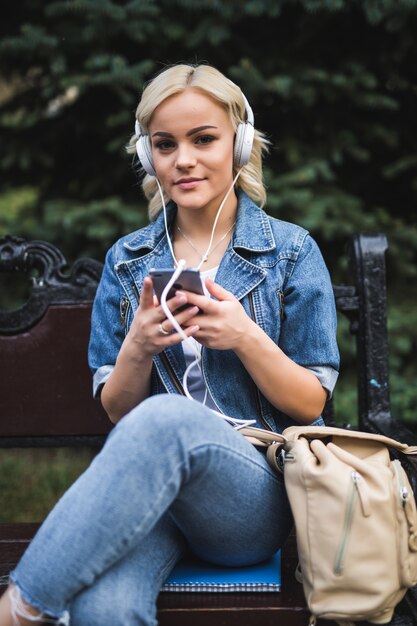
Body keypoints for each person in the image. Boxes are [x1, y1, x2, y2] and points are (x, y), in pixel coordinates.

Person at [0, 63, 339, 626]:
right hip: (153, 496)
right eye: (165, 144)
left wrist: (245, 337)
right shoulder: (129, 261)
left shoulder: (290, 252)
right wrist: (135, 347)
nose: (183, 159)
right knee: (102, 609)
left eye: (203, 139)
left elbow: (311, 403)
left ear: (240, 142)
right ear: (147, 155)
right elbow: (117, 411)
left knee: (166, 420)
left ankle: (21, 606)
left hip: (252, 500)